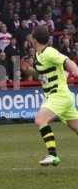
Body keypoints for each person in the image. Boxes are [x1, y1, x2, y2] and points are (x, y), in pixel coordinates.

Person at [33, 26, 78, 166]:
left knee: (40, 119)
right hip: (62, 96)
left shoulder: (49, 52)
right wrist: (29, 69)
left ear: (34, 39)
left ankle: (52, 155)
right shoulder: (38, 54)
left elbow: (67, 62)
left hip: (59, 95)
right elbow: (45, 74)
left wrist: (75, 71)